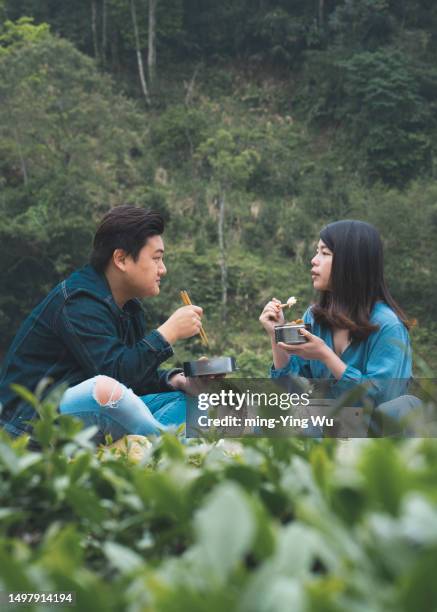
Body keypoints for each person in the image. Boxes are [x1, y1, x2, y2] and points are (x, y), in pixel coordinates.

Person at [0, 205, 203, 446]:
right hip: (28, 424)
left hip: (90, 414)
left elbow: (133, 381)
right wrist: (167, 333)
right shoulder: (78, 301)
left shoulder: (129, 307)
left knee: (192, 399)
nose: (163, 269)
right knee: (104, 390)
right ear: (121, 259)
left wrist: (177, 379)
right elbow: (114, 376)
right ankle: (173, 448)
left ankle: (155, 443)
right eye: (156, 258)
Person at [259, 220, 413, 410]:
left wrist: (326, 355)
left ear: (351, 263)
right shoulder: (314, 318)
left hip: (371, 435)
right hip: (326, 429)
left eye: (325, 253)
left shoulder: (389, 327)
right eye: (317, 252)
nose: (314, 260)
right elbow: (290, 391)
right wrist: (277, 334)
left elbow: (382, 402)